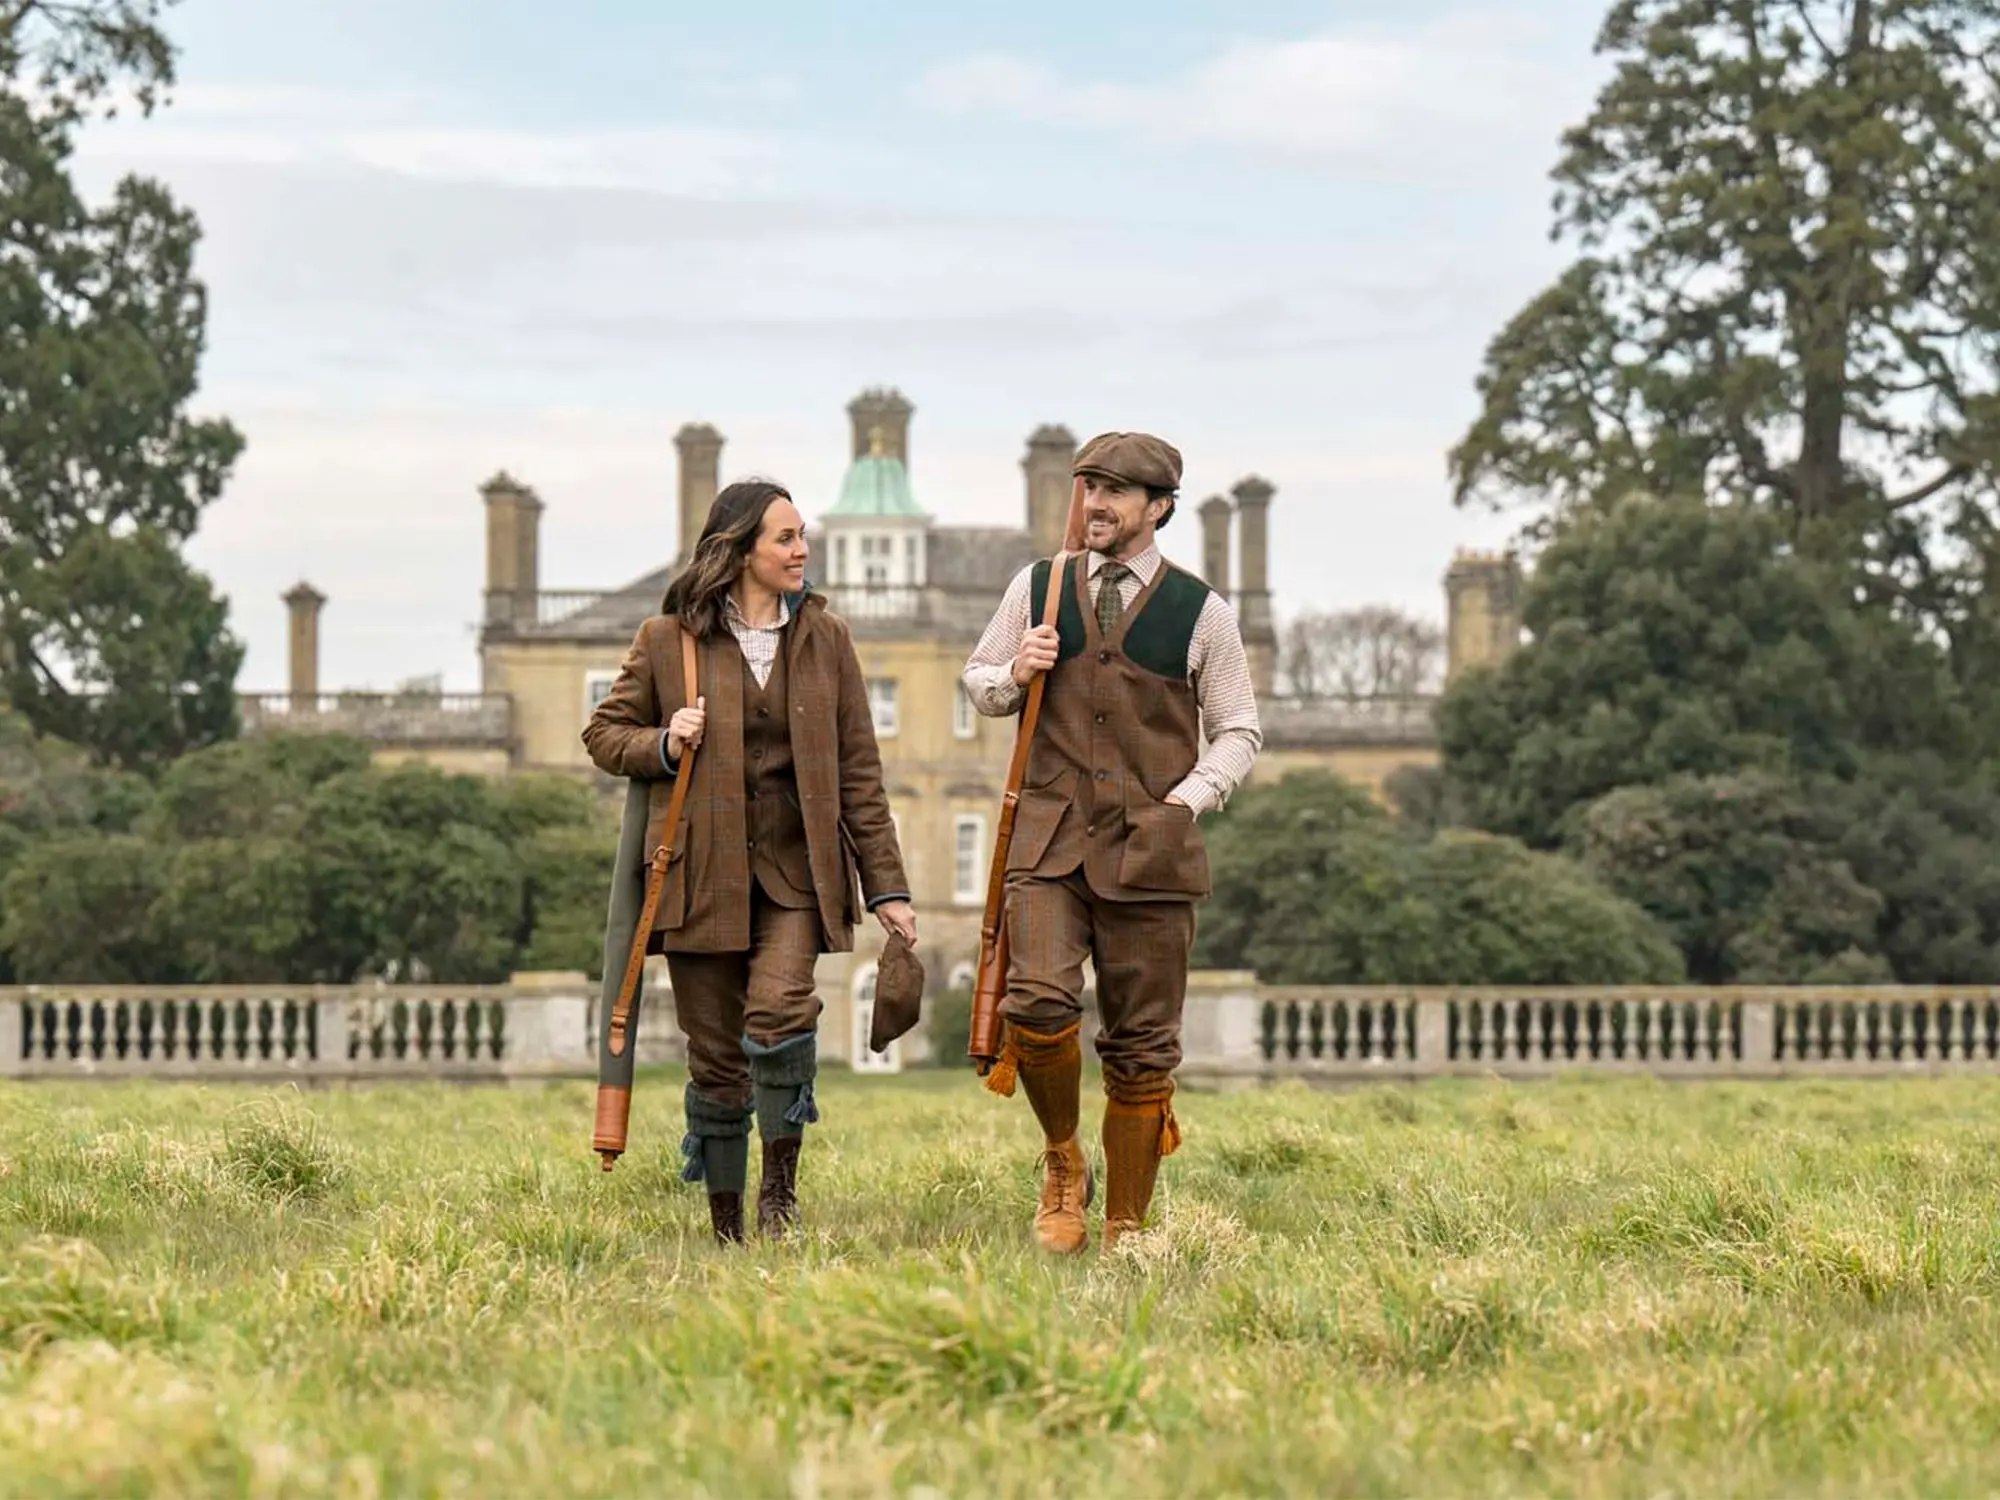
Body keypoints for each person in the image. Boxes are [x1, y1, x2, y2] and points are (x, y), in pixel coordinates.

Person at [584, 479, 916, 1245]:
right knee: (714, 1056)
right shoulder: (667, 639)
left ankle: (778, 1197)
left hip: (798, 876)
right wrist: (665, 742)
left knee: (780, 1012)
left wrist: (887, 888)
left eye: (803, 536)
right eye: (785, 538)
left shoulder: (828, 639)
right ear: (739, 551)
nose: (802, 550)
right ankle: (727, 1227)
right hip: (698, 877)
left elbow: (860, 774)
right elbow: (603, 735)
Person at [961, 432, 1262, 1253]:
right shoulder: (1037, 586)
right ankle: (1064, 1160)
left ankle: (1127, 1227)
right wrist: (1016, 672)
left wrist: (1184, 805)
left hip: (1153, 853)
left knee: (1143, 1049)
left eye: (1116, 492)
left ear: (1157, 508)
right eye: (1089, 487)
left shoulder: (1203, 612)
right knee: (1036, 1003)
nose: (1095, 503)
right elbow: (980, 682)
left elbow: (1238, 730)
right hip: (1047, 845)